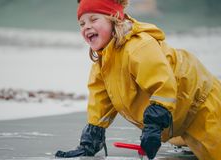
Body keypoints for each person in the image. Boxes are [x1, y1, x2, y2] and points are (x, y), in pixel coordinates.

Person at [55, 0, 221, 159]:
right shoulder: (103, 63)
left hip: (202, 106)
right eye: (82, 24)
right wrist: (92, 137)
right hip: (179, 121)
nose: (87, 26)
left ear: (114, 20)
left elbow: (163, 86)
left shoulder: (138, 47)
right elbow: (100, 100)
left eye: (94, 19)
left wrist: (153, 126)